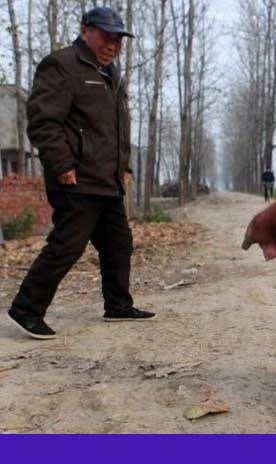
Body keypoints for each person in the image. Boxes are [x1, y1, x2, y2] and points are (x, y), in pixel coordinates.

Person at [7, 7, 155, 340]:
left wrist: (125, 166)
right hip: (76, 179)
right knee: (67, 245)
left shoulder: (111, 73)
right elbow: (44, 121)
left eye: (118, 38)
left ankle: (118, 304)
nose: (112, 44)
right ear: (85, 30)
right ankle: (26, 309)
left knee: (119, 244)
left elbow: (117, 129)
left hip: (108, 180)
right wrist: (62, 166)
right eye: (106, 35)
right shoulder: (62, 65)